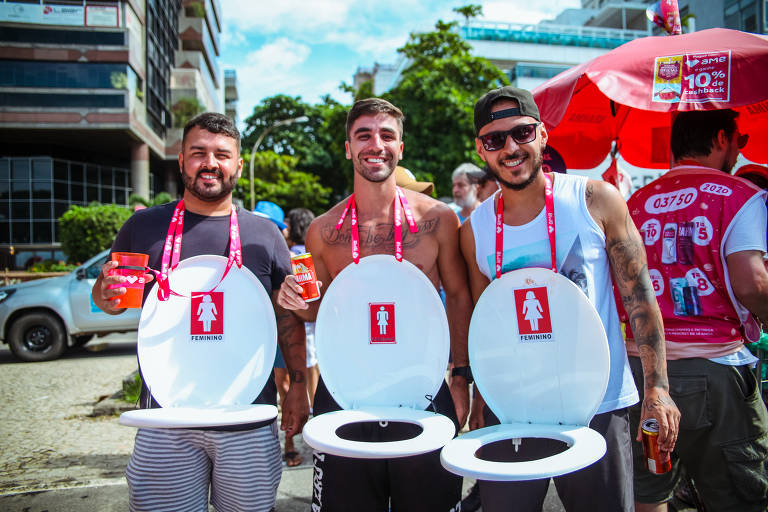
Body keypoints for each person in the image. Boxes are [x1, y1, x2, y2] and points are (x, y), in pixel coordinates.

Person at [460, 86, 680, 512]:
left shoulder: (595, 200)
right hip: (513, 406)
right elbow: (483, 324)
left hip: (598, 401)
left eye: (522, 133)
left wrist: (658, 388)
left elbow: (640, 298)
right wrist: (481, 398)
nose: (511, 148)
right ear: (481, 149)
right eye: (495, 139)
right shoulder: (474, 230)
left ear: (542, 134)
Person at [92, 112, 309, 512]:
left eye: (222, 155)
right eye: (198, 153)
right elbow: (112, 300)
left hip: (247, 413)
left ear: (238, 165)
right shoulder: (143, 227)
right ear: (181, 160)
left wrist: (297, 386)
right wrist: (106, 293)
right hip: (165, 414)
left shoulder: (264, 234)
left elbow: (288, 318)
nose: (210, 163)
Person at [277, 97, 473, 511]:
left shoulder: (438, 220)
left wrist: (460, 377)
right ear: (348, 147)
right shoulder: (322, 231)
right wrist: (293, 299)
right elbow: (315, 310)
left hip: (420, 384)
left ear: (401, 146)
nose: (376, 144)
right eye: (363, 135)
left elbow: (458, 297)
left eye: (387, 135)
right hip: (344, 387)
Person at [625, 109, 768, 512]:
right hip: (716, 370)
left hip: (641, 372)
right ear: (722, 139)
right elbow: (752, 284)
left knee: (650, 491)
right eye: (739, 141)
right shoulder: (741, 196)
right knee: (738, 495)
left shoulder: (636, 201)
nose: (739, 152)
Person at [285, 207, 320, 412]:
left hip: (299, 317)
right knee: (313, 363)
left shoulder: (292, 255)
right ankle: (315, 406)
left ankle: (313, 405)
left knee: (308, 364)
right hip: (313, 317)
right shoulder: (315, 250)